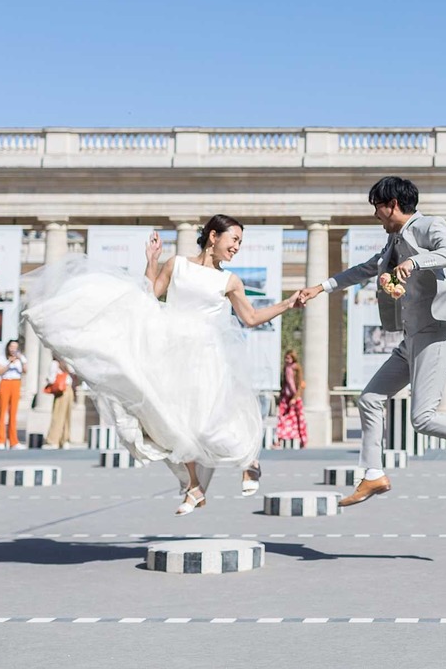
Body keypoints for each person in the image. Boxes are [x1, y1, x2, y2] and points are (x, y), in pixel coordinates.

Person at [23, 214, 303, 516]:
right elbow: (148, 296)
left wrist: (288, 304)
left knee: (209, 425)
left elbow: (250, 318)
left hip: (207, 357)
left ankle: (249, 461)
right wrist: (152, 260)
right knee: (170, 422)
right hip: (171, 353)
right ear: (213, 236)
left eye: (240, 242)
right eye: (234, 239)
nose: (237, 247)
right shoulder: (177, 264)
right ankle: (194, 488)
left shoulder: (230, 281)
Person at [299, 176, 446, 507]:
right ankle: (373, 475)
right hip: (410, 339)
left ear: (392, 205)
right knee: (369, 398)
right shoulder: (394, 242)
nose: (376, 216)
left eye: (377, 208)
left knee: (422, 418)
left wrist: (413, 261)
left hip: (435, 336)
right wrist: (321, 287)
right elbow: (364, 269)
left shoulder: (428, 225)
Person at [0, 339, 26, 450]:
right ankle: (0, 440)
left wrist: (21, 360)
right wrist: (9, 362)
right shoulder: (2, 358)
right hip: (5, 383)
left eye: (15, 347)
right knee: (2, 412)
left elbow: (25, 370)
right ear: (8, 347)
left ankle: (13, 441)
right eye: (11, 346)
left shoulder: (21, 358)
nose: (13, 349)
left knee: (13, 413)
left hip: (16, 383)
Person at [275, 349, 307, 448]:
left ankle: (302, 440)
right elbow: (284, 383)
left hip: (295, 397)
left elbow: (300, 384)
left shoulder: (296, 368)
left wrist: (295, 397)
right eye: (286, 358)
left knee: (298, 420)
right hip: (286, 397)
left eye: (289, 358)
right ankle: (279, 440)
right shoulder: (286, 368)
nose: (287, 360)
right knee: (282, 418)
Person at [42, 355, 74, 449]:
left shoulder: (54, 363)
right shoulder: (68, 362)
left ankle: (53, 440)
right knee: (66, 416)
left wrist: (47, 381)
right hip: (69, 389)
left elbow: (51, 379)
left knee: (57, 415)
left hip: (61, 390)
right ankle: (65, 440)